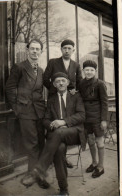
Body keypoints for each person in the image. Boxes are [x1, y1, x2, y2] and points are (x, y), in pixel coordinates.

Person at [22, 72, 86, 196]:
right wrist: (52, 124)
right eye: (57, 81)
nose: (60, 83)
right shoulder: (51, 100)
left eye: (63, 80)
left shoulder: (76, 96)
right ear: (54, 84)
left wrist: (62, 122)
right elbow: (45, 120)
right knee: (59, 149)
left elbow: (81, 115)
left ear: (67, 82)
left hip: (74, 132)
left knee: (59, 132)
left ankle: (39, 169)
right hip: (57, 138)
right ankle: (64, 189)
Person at [6, 39, 45, 184]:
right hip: (25, 112)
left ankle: (38, 171)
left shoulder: (41, 70)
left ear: (41, 52)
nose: (35, 51)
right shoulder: (19, 67)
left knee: (41, 142)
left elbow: (40, 90)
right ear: (28, 50)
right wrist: (17, 109)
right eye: (32, 49)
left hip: (39, 111)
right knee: (32, 144)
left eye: (38, 49)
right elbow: (10, 88)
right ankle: (31, 174)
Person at [44, 39, 82, 168]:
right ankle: (57, 158)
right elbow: (45, 78)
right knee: (55, 126)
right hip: (54, 99)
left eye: (69, 48)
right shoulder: (53, 62)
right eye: (64, 48)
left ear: (73, 50)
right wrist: (56, 89)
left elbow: (79, 81)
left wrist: (74, 90)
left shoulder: (76, 65)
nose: (67, 50)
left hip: (68, 100)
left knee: (64, 125)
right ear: (61, 49)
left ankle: (61, 159)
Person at [79, 60, 108, 178]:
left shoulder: (100, 84)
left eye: (91, 70)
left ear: (95, 71)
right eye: (87, 70)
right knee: (91, 141)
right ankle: (94, 162)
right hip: (86, 118)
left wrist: (104, 120)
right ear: (83, 71)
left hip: (97, 118)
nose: (89, 72)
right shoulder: (81, 83)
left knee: (99, 141)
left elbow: (104, 102)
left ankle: (101, 167)